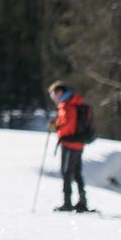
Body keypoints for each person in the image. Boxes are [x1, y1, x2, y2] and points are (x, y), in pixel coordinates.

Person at [49, 80, 91, 212]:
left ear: (59, 92)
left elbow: (68, 125)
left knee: (66, 173)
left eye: (53, 95)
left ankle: (67, 203)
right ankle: (82, 201)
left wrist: (56, 127)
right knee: (76, 173)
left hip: (69, 143)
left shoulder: (67, 105)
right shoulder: (76, 102)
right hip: (78, 142)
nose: (53, 98)